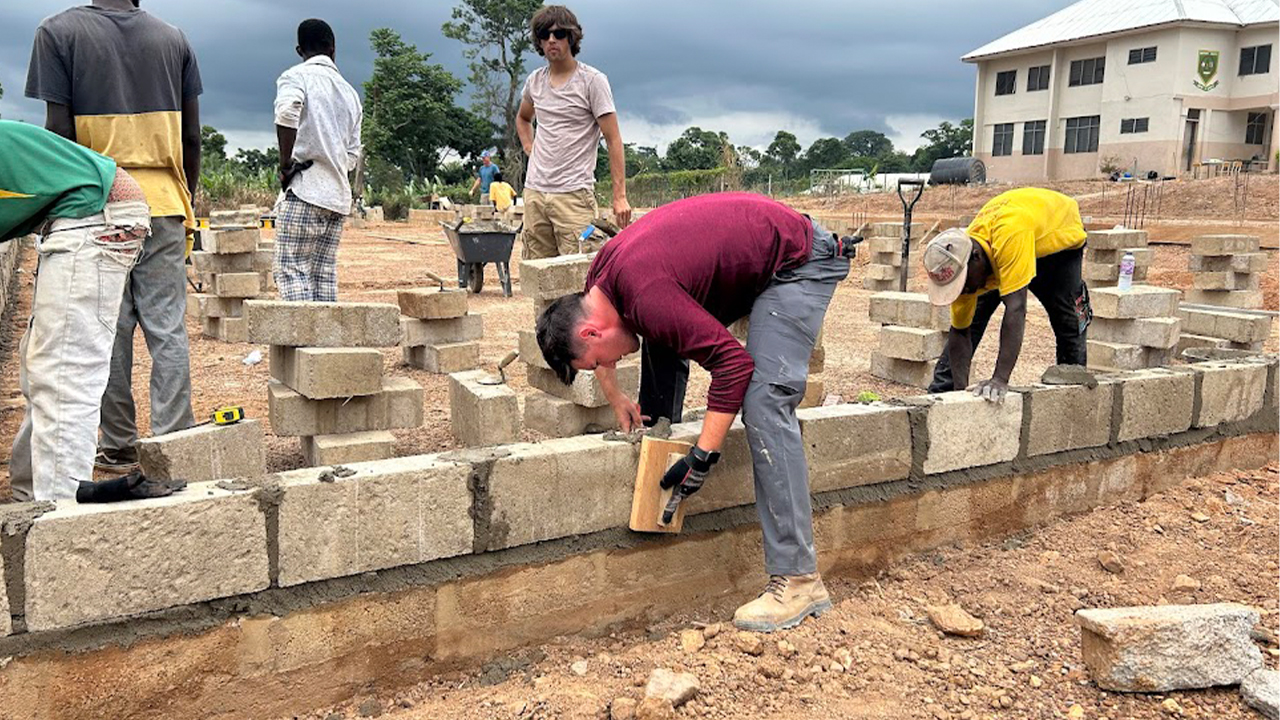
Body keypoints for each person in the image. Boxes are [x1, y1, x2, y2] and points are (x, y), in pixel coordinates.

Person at [535, 193, 850, 632]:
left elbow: (733, 366)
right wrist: (618, 399)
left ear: (590, 330)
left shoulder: (644, 294)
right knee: (655, 332)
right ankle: (662, 435)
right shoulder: (600, 284)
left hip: (800, 263)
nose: (607, 367)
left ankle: (799, 580)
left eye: (595, 363)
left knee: (763, 401)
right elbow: (620, 337)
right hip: (765, 249)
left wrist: (703, 456)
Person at [26, 0, 202, 472]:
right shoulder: (174, 37)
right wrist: (185, 197)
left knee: (109, 329)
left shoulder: (58, 32)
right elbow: (192, 139)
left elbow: (59, 134)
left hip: (99, 200)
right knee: (167, 328)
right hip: (164, 203)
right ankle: (173, 441)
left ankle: (120, 444)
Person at [0, 120, 154, 501]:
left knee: (64, 374)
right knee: (44, 367)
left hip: (97, 214)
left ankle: (57, 524)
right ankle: (26, 509)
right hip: (81, 216)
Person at [922, 187, 1091, 401]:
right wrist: (959, 397)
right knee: (973, 318)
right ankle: (941, 393)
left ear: (976, 258)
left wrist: (999, 379)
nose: (962, 291)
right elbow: (961, 331)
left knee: (1069, 321)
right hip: (1006, 243)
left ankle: (1074, 395)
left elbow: (1016, 308)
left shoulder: (1009, 236)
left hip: (1056, 242)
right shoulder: (961, 265)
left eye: (962, 284)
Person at [516, 4, 631, 260]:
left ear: (571, 37)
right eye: (545, 35)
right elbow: (523, 118)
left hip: (573, 196)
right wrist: (529, 147)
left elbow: (613, 139)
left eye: (558, 34)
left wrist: (619, 197)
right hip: (535, 193)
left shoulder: (592, 81)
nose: (551, 40)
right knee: (540, 280)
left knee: (578, 279)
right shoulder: (535, 81)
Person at [273, 18, 364, 303]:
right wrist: (332, 165)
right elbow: (352, 154)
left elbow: (287, 112)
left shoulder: (296, 76)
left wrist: (286, 165)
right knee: (323, 275)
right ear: (333, 49)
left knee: (291, 270)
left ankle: (303, 346)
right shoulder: (351, 94)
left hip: (305, 191)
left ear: (300, 49)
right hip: (336, 197)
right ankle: (324, 347)